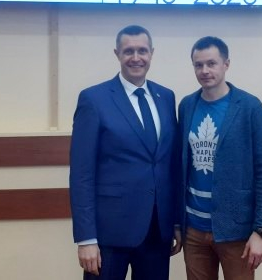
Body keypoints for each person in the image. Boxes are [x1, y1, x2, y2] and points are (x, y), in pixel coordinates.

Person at [69, 25, 181, 280]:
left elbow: (170, 165)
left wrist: (175, 222)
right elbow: (81, 174)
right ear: (117, 54)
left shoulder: (166, 97)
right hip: (109, 234)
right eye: (128, 51)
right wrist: (86, 238)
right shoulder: (94, 99)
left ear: (151, 53)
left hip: (156, 231)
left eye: (142, 50)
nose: (136, 57)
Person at [178, 36, 262, 280]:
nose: (205, 70)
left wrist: (261, 231)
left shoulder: (250, 107)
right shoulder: (187, 105)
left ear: (226, 64)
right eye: (198, 65)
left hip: (237, 232)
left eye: (211, 63)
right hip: (194, 230)